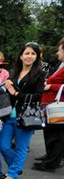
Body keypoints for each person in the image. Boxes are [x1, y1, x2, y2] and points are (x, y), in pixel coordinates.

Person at [0, 42, 45, 179]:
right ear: (21, 56)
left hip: (26, 116)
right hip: (8, 115)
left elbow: (37, 96)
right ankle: (16, 167)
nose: (29, 56)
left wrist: (16, 93)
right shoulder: (14, 73)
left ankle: (12, 172)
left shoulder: (39, 74)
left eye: (33, 54)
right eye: (27, 53)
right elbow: (8, 94)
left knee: (20, 147)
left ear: (36, 57)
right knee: (4, 146)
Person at [32, 38, 64, 172]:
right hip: (50, 106)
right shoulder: (61, 65)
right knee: (51, 133)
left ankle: (52, 162)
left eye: (60, 50)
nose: (57, 53)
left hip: (58, 107)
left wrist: (51, 86)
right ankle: (50, 158)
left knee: (56, 135)